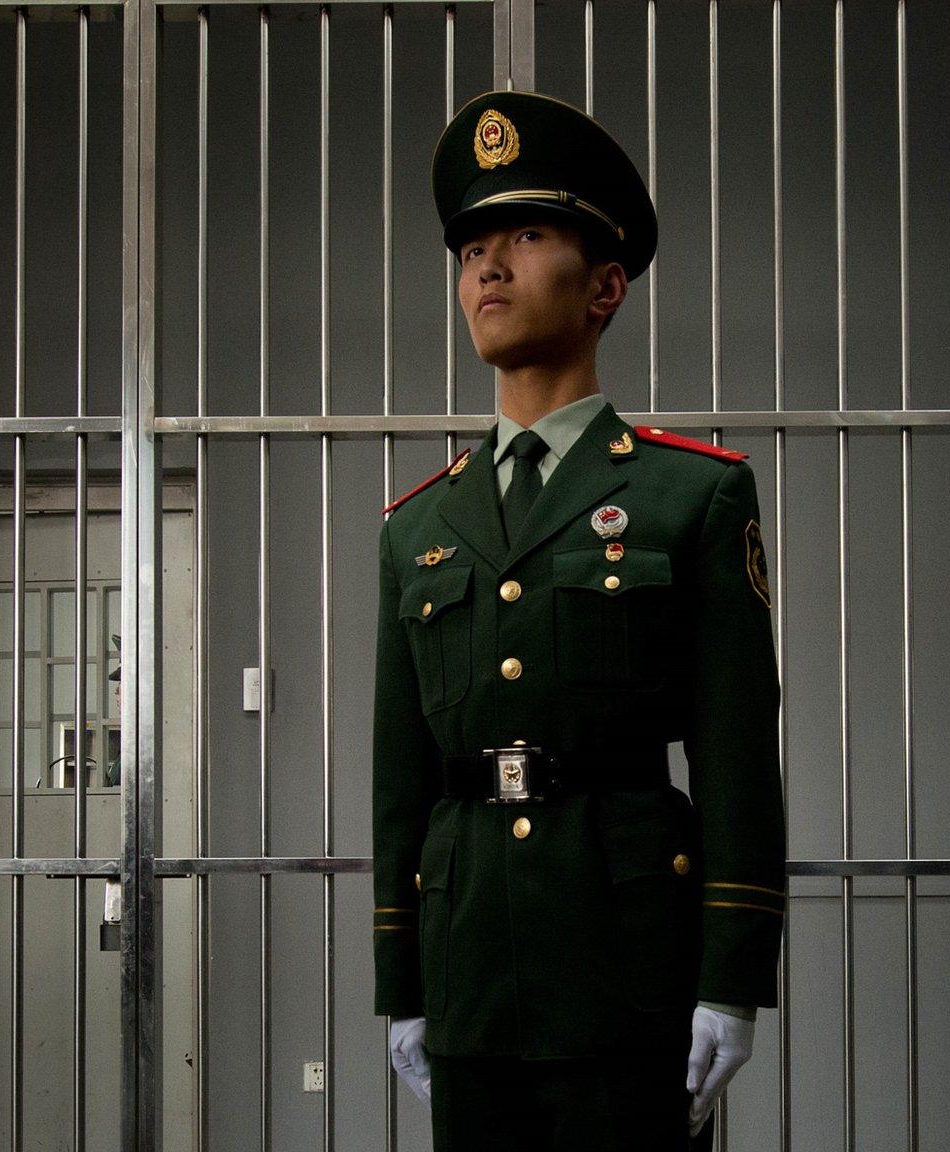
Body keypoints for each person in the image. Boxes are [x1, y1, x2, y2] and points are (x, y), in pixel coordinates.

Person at [370, 89, 786, 1151]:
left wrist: (731, 978)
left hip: (627, 966)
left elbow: (736, 751)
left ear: (604, 286)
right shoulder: (418, 526)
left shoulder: (690, 495)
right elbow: (400, 775)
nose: (487, 269)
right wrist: (400, 982)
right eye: (470, 250)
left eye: (523, 237)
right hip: (469, 967)